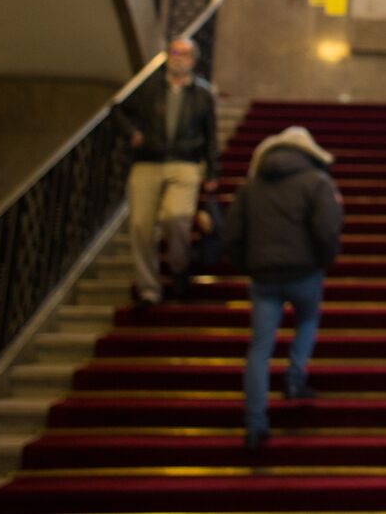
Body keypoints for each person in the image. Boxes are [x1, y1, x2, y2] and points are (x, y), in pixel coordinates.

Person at [221, 126, 342, 451]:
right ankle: (294, 380)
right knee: (307, 320)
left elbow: (232, 234)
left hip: (263, 278)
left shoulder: (250, 186)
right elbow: (327, 227)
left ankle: (255, 423)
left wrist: (248, 266)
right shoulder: (316, 182)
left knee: (259, 347)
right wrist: (322, 261)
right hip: (304, 271)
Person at [117, 36, 219, 307]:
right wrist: (133, 133)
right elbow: (119, 108)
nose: (178, 57)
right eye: (174, 51)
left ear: (193, 60)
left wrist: (212, 173)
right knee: (140, 226)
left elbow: (211, 135)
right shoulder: (149, 87)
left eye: (184, 53)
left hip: (185, 163)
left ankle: (179, 268)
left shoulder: (202, 94)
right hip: (148, 161)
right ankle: (149, 289)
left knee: (177, 217)